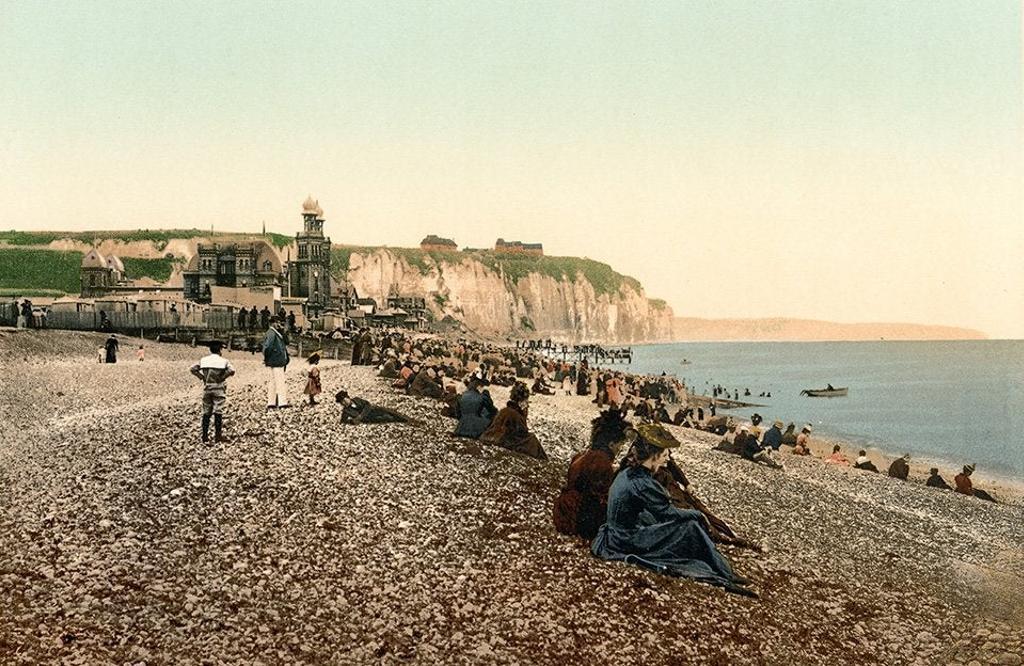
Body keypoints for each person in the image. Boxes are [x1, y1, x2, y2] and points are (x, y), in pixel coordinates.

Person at [591, 423, 755, 597]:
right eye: (664, 455)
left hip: (615, 534)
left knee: (673, 524)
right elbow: (668, 513)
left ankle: (722, 569)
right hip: (626, 539)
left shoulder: (628, 472)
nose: (667, 459)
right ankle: (725, 572)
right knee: (691, 525)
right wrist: (697, 514)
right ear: (654, 456)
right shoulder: (643, 483)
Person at [553, 409, 630, 540]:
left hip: (564, 510)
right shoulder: (601, 462)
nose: (620, 450)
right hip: (577, 517)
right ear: (611, 444)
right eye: (620, 445)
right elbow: (600, 498)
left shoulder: (583, 455)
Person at [480, 382, 547, 460]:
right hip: (506, 440)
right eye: (526, 401)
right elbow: (522, 432)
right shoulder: (516, 415)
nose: (527, 404)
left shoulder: (504, 410)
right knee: (532, 440)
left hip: (494, 436)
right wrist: (524, 413)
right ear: (521, 401)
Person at [189, 340, 235, 443]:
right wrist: (223, 377)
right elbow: (232, 370)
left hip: (207, 386)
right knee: (218, 411)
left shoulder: (204, 360)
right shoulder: (224, 361)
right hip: (218, 387)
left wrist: (202, 377)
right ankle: (218, 436)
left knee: (206, 411)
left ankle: (204, 436)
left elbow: (192, 369)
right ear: (220, 350)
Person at [335, 389, 410, 424]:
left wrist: (360, 416)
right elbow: (343, 421)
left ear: (348, 397)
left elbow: (367, 404)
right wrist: (352, 421)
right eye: (342, 403)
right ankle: (400, 420)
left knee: (388, 411)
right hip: (369, 419)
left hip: (372, 410)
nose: (344, 403)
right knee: (386, 418)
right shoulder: (346, 411)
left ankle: (405, 419)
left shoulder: (356, 399)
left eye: (344, 400)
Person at [262, 317, 290, 408]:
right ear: (272, 323)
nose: (279, 324)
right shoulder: (271, 333)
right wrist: (267, 357)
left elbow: (287, 342)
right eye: (277, 322)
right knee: (280, 382)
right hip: (276, 360)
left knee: (273, 382)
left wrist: (283, 331)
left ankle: (271, 402)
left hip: (274, 360)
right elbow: (267, 347)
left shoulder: (275, 332)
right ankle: (282, 402)